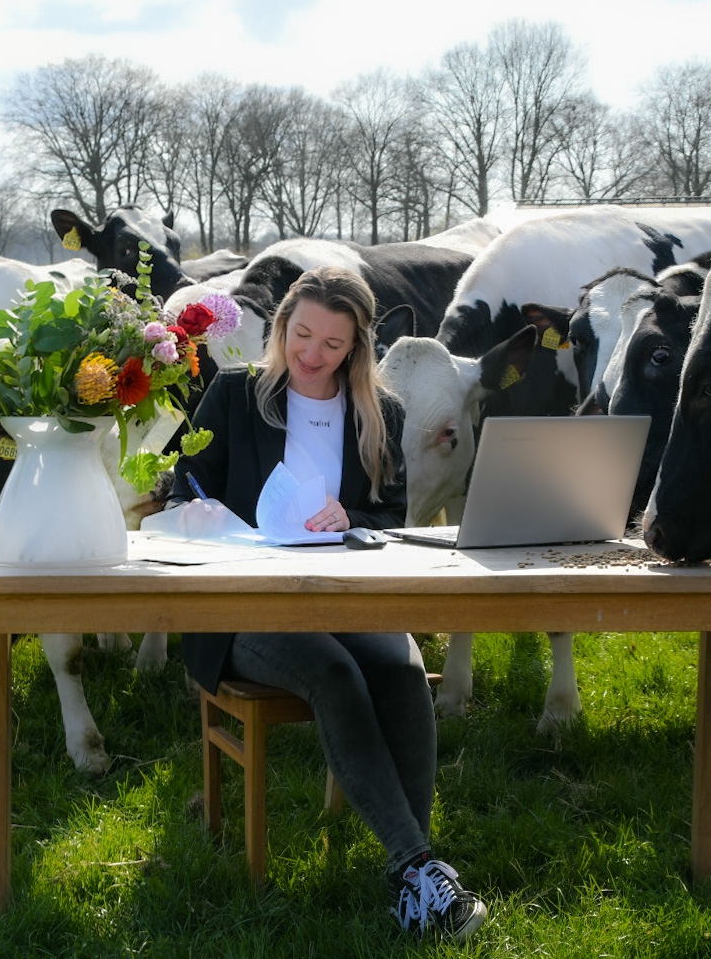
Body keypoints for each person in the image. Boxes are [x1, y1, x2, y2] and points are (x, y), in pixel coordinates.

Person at [170, 265, 487, 941]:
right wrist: (201, 510)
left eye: (332, 345)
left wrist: (351, 516)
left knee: (401, 671)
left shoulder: (382, 412)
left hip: (345, 597)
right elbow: (185, 486)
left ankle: (413, 882)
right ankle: (418, 865)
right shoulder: (233, 395)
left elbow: (389, 516)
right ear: (281, 326)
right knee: (335, 675)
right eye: (301, 335)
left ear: (358, 349)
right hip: (243, 609)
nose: (311, 356)